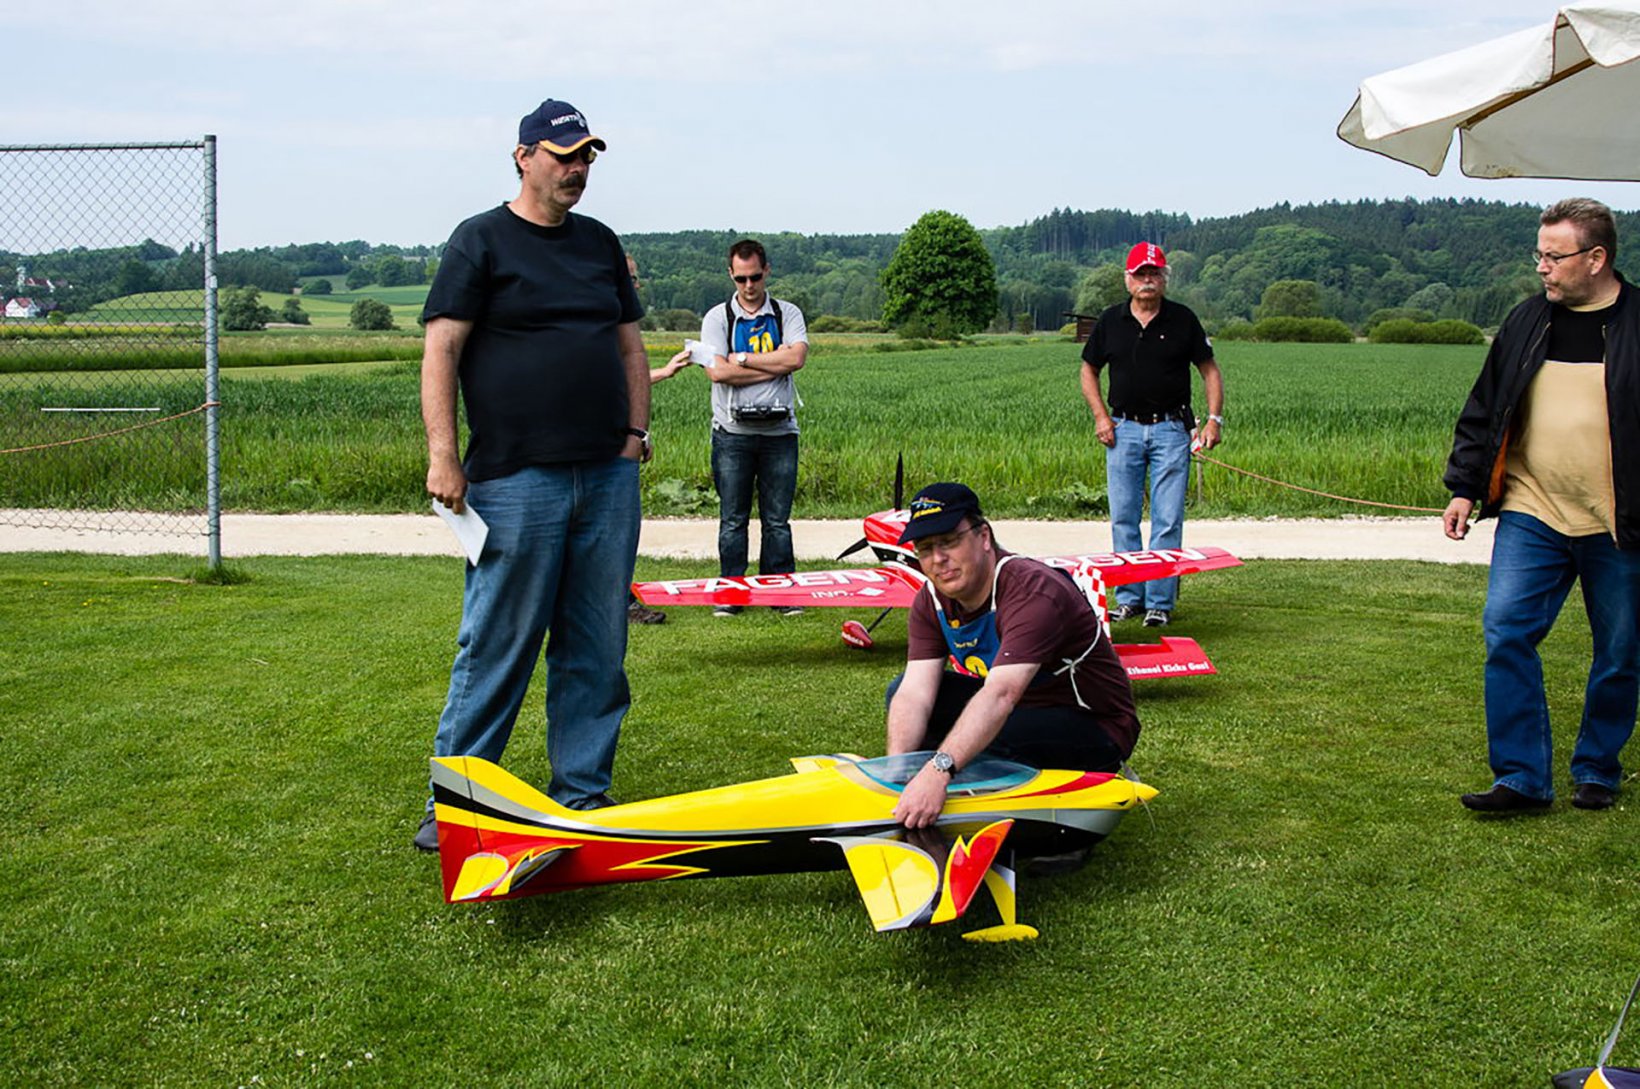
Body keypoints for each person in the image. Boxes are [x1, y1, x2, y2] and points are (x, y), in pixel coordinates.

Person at [415, 98, 650, 850]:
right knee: (498, 642)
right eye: (564, 155)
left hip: (606, 476)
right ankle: (458, 803)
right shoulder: (480, 240)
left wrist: (635, 436)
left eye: (586, 157)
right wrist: (444, 455)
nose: (578, 169)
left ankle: (582, 794)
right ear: (524, 156)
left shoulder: (600, 243)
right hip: (515, 480)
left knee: (597, 644)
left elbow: (629, 348)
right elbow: (442, 350)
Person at [1443, 197, 1640, 815]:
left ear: (1597, 258)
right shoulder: (1528, 320)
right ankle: (1522, 778)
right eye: (1539, 255)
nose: (1542, 268)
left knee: (1619, 651)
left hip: (1619, 522)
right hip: (1533, 512)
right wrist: (1465, 486)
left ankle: (1597, 768)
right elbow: (1485, 407)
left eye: (1554, 257)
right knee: (1506, 630)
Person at [885, 482, 1141, 832]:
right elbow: (914, 692)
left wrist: (939, 768)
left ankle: (1062, 816)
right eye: (925, 548)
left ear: (983, 537)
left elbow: (1001, 694)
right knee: (901, 692)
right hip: (1020, 711)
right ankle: (928, 793)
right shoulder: (931, 599)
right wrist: (894, 773)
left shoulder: (1032, 590)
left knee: (995, 730)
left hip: (1095, 726)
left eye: (949, 541)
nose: (938, 559)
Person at [1080, 242, 1224, 628]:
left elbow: (1209, 370)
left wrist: (1214, 420)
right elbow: (1088, 369)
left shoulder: (1183, 320)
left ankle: (1160, 602)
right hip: (1122, 430)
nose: (1147, 280)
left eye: (1154, 273)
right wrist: (1100, 417)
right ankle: (1129, 599)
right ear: (1128, 279)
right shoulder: (1110, 321)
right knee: (1123, 518)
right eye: (1140, 274)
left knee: (1167, 519)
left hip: (1171, 431)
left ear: (1164, 279)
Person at [697, 238, 809, 617]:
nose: (749, 286)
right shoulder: (717, 318)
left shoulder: (787, 313)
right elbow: (717, 372)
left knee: (777, 520)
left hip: (780, 433)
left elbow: (796, 358)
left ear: (767, 271)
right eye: (741, 278)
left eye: (755, 277)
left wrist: (742, 359)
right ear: (731, 274)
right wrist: (773, 363)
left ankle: (781, 593)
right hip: (732, 433)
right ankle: (732, 592)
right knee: (733, 519)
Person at [626, 255, 693, 626]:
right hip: (605, 447)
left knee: (622, 529)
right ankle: (620, 604)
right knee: (616, 529)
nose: (637, 285)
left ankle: (618, 601)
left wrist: (638, 432)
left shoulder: (620, 323)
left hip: (621, 439)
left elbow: (627, 378)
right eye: (631, 278)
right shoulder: (602, 325)